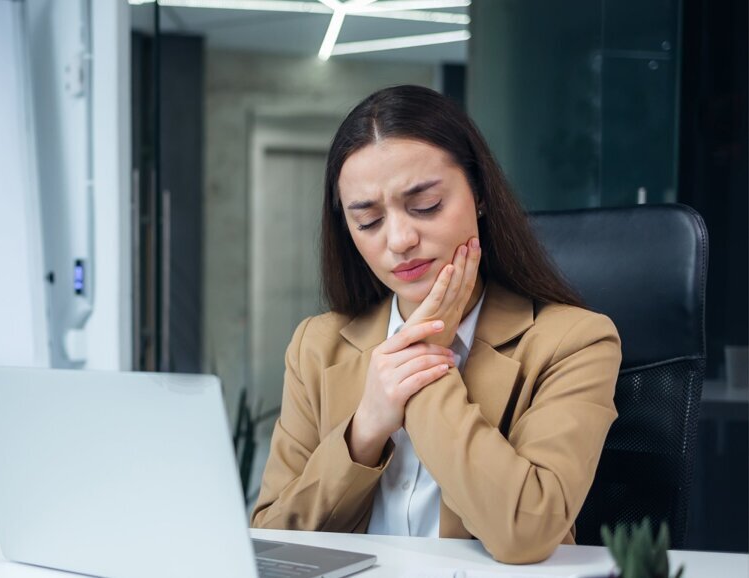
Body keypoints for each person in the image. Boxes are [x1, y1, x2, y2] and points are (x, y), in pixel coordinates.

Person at [250, 85, 622, 564]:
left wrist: (424, 368)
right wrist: (364, 431)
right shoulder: (316, 347)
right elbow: (273, 542)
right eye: (367, 221)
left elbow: (525, 531)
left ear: (481, 194)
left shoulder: (574, 342)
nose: (400, 239)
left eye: (425, 205)